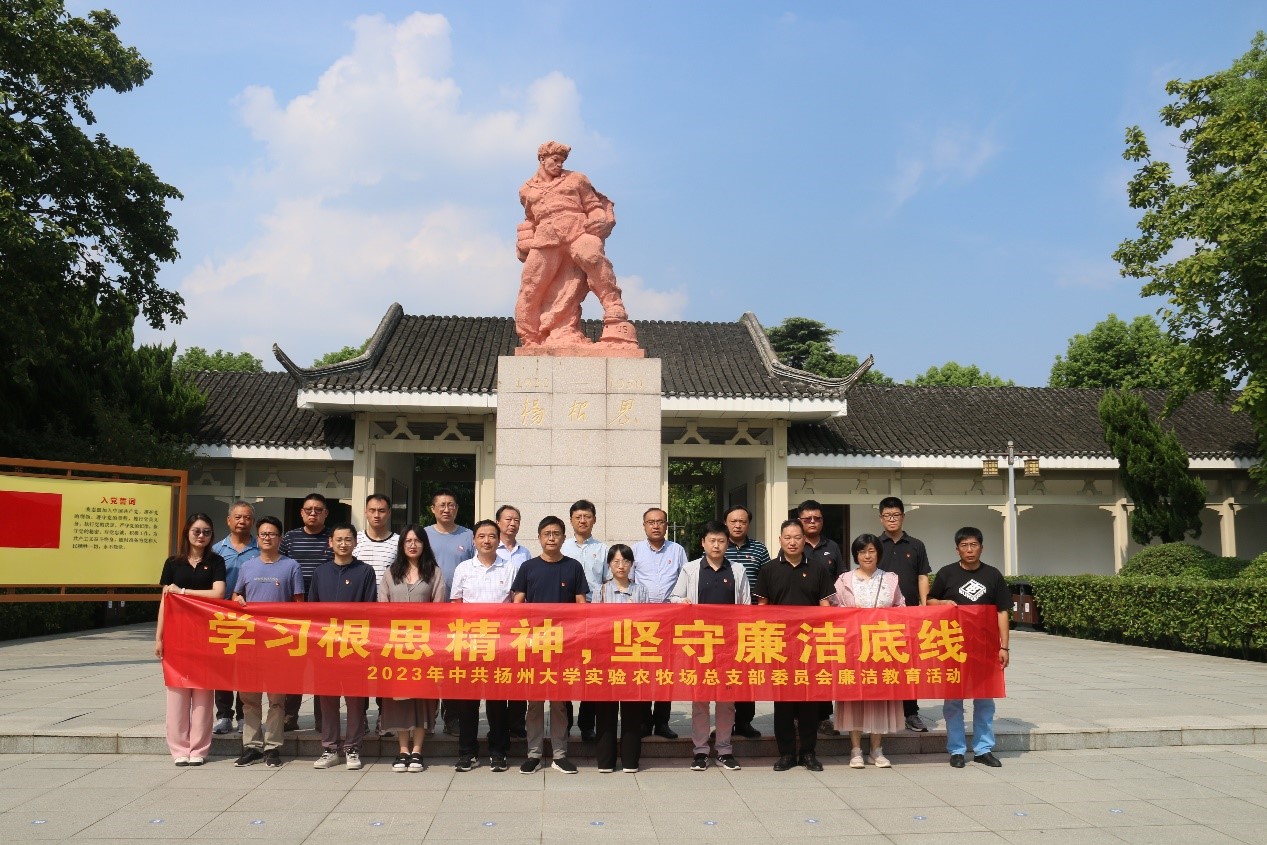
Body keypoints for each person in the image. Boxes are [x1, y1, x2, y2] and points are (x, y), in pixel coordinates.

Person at [514, 140, 633, 348]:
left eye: (562, 160)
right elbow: (531, 219)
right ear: (542, 159)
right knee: (530, 284)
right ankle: (530, 336)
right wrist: (524, 238)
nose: (559, 164)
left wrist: (599, 219)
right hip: (546, 238)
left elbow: (593, 206)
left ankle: (614, 306)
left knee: (592, 257)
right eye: (555, 160)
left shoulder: (576, 179)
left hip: (577, 230)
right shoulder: (526, 190)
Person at [927, 527, 1011, 769]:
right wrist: (943, 602)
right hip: (953, 647)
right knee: (953, 700)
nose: (969, 550)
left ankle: (984, 749)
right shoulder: (947, 573)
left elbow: (1002, 611)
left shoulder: (993, 575)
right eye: (964, 545)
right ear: (957, 549)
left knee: (985, 699)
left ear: (981, 547)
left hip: (985, 648)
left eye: (974, 545)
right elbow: (930, 601)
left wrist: (1004, 647)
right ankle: (956, 750)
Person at [511, 515, 589, 774]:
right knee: (534, 703)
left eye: (556, 533)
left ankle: (559, 754)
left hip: (563, 645)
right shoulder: (528, 567)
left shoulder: (573, 567)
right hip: (534, 644)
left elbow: (581, 605)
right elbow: (517, 604)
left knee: (559, 703)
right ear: (539, 538)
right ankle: (533, 754)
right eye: (547, 533)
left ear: (564, 538)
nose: (552, 538)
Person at [755, 519, 835, 772]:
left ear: (804, 541)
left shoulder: (818, 568)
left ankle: (808, 753)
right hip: (779, 646)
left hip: (810, 646)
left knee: (810, 702)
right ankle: (787, 753)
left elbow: (825, 607)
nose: (792, 542)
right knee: (783, 704)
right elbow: (762, 608)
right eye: (787, 537)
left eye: (797, 537)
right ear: (780, 540)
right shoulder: (768, 569)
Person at [671, 521, 749, 772]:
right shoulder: (691, 569)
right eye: (712, 541)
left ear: (728, 544)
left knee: (726, 701)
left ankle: (724, 750)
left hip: (729, 646)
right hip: (699, 645)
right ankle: (701, 751)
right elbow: (674, 597)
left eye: (721, 541)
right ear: (703, 543)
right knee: (700, 700)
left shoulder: (737, 570)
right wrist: (682, 602)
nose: (716, 545)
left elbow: (746, 607)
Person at [231, 516, 304, 768]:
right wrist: (237, 600)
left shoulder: (291, 566)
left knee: (277, 700)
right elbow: (236, 596)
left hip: (278, 643)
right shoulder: (247, 566)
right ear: (257, 537)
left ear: (280, 538)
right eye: (263, 534)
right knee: (249, 699)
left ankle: (272, 747)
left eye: (272, 534)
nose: (267, 538)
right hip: (250, 642)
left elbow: (298, 605)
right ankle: (251, 746)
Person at [155, 513, 226, 767]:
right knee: (177, 693)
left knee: (204, 694)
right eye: (196, 531)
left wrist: (183, 591)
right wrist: (159, 637)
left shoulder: (216, 561)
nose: (201, 536)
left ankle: (199, 749)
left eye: (206, 532)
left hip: (206, 634)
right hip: (177, 635)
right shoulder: (173, 563)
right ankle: (178, 749)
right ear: (187, 532)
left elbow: (218, 593)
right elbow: (165, 601)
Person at [451, 519, 519, 773]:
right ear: (474, 541)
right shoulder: (464, 568)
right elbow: (456, 603)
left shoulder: (509, 568)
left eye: (491, 536)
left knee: (497, 701)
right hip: (469, 643)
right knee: (467, 702)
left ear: (498, 540)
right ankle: (467, 752)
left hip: (499, 645)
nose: (486, 540)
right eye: (481, 536)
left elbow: (516, 605)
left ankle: (498, 751)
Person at [378, 524, 448, 773]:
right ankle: (403, 750)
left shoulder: (434, 573)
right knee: (399, 699)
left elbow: (440, 609)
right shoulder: (391, 573)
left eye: (417, 540)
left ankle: (417, 750)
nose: (412, 545)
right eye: (408, 541)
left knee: (422, 698)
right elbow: (382, 607)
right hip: (397, 646)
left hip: (424, 647)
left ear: (424, 544)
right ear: (401, 545)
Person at [309, 523, 377, 771]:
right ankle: (329, 748)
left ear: (355, 543)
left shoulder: (365, 571)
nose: (343, 544)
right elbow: (312, 609)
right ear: (330, 542)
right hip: (326, 645)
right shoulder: (320, 572)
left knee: (355, 699)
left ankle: (353, 748)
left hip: (354, 646)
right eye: (338, 539)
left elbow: (370, 609)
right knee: (327, 699)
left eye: (348, 539)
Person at [834, 534, 906, 769]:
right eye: (862, 551)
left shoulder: (890, 579)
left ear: (878, 554)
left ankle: (876, 749)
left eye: (871, 551)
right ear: (856, 555)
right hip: (853, 647)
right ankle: (855, 750)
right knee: (854, 696)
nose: (867, 555)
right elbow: (834, 609)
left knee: (879, 696)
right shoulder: (844, 580)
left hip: (882, 646)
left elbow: (901, 607)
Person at [592, 544, 651, 773]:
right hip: (606, 658)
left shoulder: (641, 591)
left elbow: (648, 624)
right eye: (616, 561)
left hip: (633, 657)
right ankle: (605, 761)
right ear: (609, 564)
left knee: (632, 712)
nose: (621, 566)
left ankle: (630, 761)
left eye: (625, 561)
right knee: (605, 711)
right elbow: (594, 625)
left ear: (631, 564)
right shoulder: (600, 591)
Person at [877, 496, 933, 733]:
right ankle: (882, 710)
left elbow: (922, 576)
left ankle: (911, 712)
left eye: (896, 515)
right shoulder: (875, 545)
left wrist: (924, 607)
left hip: (909, 615)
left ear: (903, 517)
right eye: (887, 515)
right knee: (881, 662)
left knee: (909, 664)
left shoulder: (916, 545)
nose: (892, 519)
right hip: (881, 617)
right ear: (880, 518)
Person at [280, 492, 333, 731]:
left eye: (318, 510)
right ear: (301, 512)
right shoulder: (290, 539)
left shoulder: (332, 538)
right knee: (294, 666)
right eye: (308, 509)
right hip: (296, 612)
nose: (313, 513)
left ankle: (323, 719)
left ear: (326, 513)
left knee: (323, 667)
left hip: (325, 613)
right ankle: (289, 716)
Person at [632, 506, 686, 739]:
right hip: (643, 619)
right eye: (651, 522)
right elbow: (629, 582)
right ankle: (644, 721)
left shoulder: (678, 550)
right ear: (644, 525)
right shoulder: (635, 550)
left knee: (666, 671)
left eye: (660, 522)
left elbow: (684, 580)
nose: (655, 526)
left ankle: (662, 722)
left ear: (666, 525)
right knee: (644, 670)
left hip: (669, 618)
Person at [425, 488, 474, 737]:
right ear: (433, 509)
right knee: (430, 665)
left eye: (451, 505)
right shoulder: (423, 535)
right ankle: (427, 717)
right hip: (429, 612)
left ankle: (452, 717)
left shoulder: (468, 536)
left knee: (455, 667)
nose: (446, 509)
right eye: (442, 505)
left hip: (459, 613)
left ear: (457, 508)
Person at [210, 501, 259, 735]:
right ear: (228, 520)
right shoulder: (216, 550)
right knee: (223, 668)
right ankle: (223, 716)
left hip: (251, 619)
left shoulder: (261, 549)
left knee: (247, 669)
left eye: (247, 517)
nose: (242, 521)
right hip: (222, 618)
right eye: (237, 517)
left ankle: (243, 715)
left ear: (253, 522)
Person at [561, 499, 608, 742]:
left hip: (594, 616)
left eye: (587, 516)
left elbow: (608, 582)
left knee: (592, 669)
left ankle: (587, 724)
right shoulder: (562, 547)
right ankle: (565, 722)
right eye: (578, 517)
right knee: (565, 669)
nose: (582, 520)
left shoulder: (603, 549)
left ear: (594, 519)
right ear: (571, 520)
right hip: (567, 616)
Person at [798, 499, 845, 737]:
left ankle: (824, 717)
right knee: (800, 668)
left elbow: (841, 580)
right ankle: (798, 715)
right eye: (807, 519)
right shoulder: (794, 544)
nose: (812, 522)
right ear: (800, 521)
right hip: (798, 621)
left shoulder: (832, 547)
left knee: (823, 669)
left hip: (826, 620)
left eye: (817, 518)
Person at [355, 493, 399, 738]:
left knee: (385, 668)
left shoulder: (399, 542)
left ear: (389, 513)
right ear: (365, 512)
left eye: (382, 510)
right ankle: (359, 716)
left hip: (387, 616)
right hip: (359, 616)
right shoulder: (355, 540)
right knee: (360, 667)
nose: (377, 515)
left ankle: (385, 715)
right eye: (372, 510)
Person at [723, 504, 768, 739]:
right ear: (726, 523)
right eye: (733, 521)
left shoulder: (759, 549)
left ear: (748, 524)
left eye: (742, 521)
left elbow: (767, 579)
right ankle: (724, 721)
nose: (738, 525)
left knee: (747, 671)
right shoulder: (719, 545)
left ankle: (744, 721)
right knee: (725, 672)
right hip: (723, 622)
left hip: (751, 620)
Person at [495, 504, 531, 739]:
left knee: (519, 673)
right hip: (494, 622)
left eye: (516, 520)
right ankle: (498, 725)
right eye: (508, 519)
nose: (512, 523)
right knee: (498, 674)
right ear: (498, 522)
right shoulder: (488, 547)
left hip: (518, 622)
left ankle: (517, 723)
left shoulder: (524, 553)